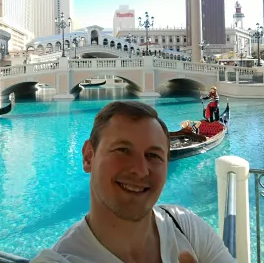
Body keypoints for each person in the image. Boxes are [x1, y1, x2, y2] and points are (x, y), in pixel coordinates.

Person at [31, 101, 236, 263]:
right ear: (88, 157)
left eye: (154, 155)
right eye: (122, 150)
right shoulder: (61, 259)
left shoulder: (186, 226)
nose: (140, 170)